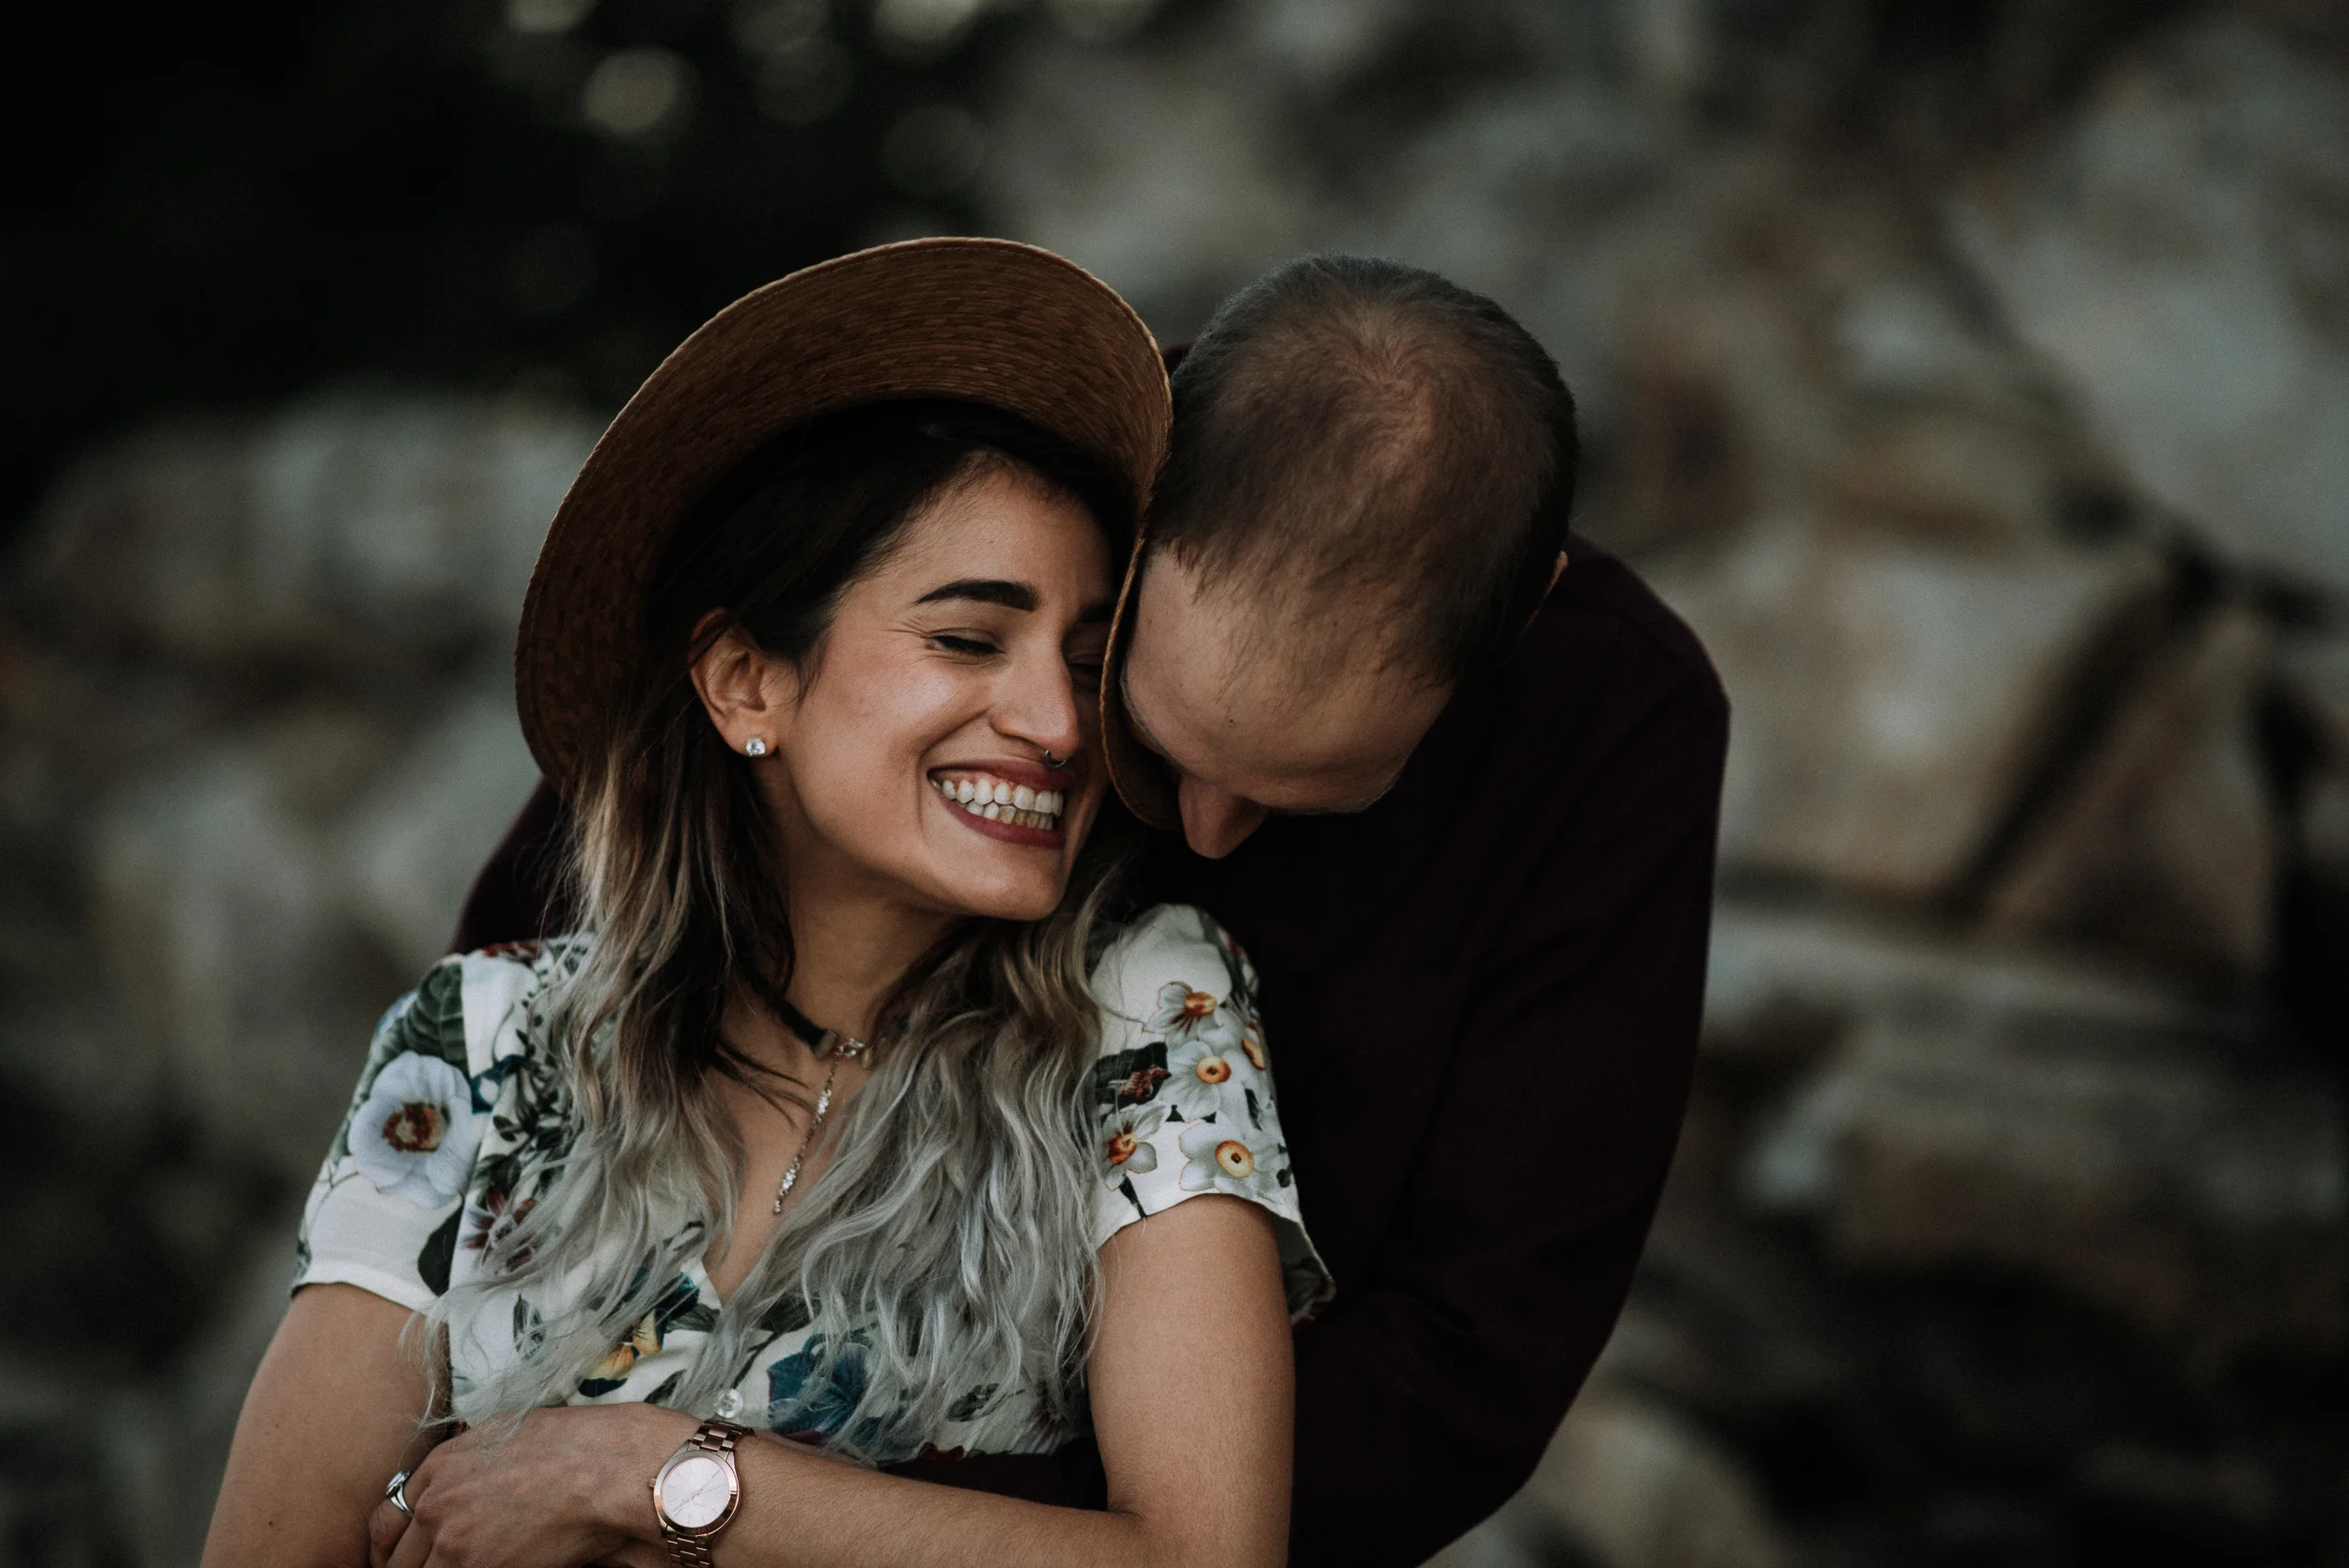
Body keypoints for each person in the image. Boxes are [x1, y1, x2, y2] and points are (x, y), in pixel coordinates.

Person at [459, 254, 1732, 1566]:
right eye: (1160, 740)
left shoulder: (1615, 736)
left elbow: (1474, 1350)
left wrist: (871, 1525)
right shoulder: (1019, 473)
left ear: (1517, 624)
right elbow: (565, 959)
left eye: (1312, 798)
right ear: (1146, 504)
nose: (1204, 835)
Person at [203, 239, 1330, 1568]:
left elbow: (1207, 1559)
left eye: (1087, 664)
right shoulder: (480, 1044)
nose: (1054, 722)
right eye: (969, 639)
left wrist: (649, 1474)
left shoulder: (1142, 1011)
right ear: (746, 682)